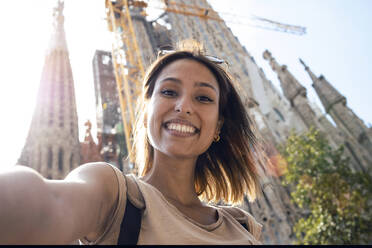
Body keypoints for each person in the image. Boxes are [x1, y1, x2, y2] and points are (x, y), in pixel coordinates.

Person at [0, 41, 266, 245]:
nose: (184, 106)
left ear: (218, 125)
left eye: (204, 98)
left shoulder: (243, 226)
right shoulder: (114, 196)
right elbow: (44, 204)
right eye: (169, 92)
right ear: (147, 111)